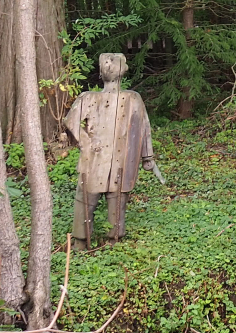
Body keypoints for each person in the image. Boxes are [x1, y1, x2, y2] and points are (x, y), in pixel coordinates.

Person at [64, 53, 163, 247]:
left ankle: (114, 238)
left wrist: (147, 156)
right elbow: (71, 122)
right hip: (93, 160)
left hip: (119, 161)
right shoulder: (89, 98)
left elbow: (142, 128)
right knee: (86, 199)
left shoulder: (132, 99)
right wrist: (86, 142)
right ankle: (81, 241)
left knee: (116, 198)